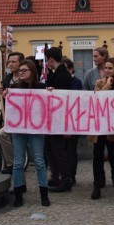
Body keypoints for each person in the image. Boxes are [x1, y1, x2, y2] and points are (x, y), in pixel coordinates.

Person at [10, 59, 50, 208]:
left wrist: (50, 93)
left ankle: (44, 194)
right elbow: (7, 104)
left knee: (39, 161)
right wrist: (1, 94)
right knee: (18, 163)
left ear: (32, 72)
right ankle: (18, 194)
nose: (21, 72)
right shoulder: (14, 87)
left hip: (36, 128)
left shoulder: (41, 87)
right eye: (20, 70)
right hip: (19, 128)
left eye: (24, 70)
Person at [90, 58, 114, 199]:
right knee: (97, 156)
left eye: (110, 68)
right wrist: (106, 86)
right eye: (105, 68)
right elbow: (95, 99)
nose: (107, 70)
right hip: (101, 125)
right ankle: (96, 185)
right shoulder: (99, 83)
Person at [43, 46, 74, 192]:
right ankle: (56, 176)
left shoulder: (62, 75)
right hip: (53, 118)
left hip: (58, 118)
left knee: (58, 150)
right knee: (50, 148)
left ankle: (65, 179)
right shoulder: (59, 73)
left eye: (47, 60)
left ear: (51, 59)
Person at [0, 51, 24, 174]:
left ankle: (17, 164)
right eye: (9, 62)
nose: (10, 64)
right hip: (10, 117)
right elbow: (3, 100)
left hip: (23, 117)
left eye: (14, 62)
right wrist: (0, 93)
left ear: (20, 63)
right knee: (2, 134)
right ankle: (12, 163)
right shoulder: (7, 79)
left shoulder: (25, 79)